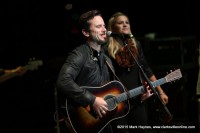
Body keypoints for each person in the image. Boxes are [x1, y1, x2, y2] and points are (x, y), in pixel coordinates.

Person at [104, 12, 169, 133]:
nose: (125, 25)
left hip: (138, 100)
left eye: (127, 22)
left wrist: (161, 92)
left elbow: (147, 70)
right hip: (117, 104)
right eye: (120, 22)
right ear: (112, 28)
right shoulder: (106, 49)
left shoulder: (136, 46)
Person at [56, 10, 118, 133]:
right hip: (85, 120)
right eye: (98, 26)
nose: (104, 29)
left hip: (102, 123)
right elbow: (63, 81)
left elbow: (114, 93)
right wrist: (92, 100)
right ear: (85, 32)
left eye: (104, 26)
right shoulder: (79, 54)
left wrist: (140, 97)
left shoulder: (106, 59)